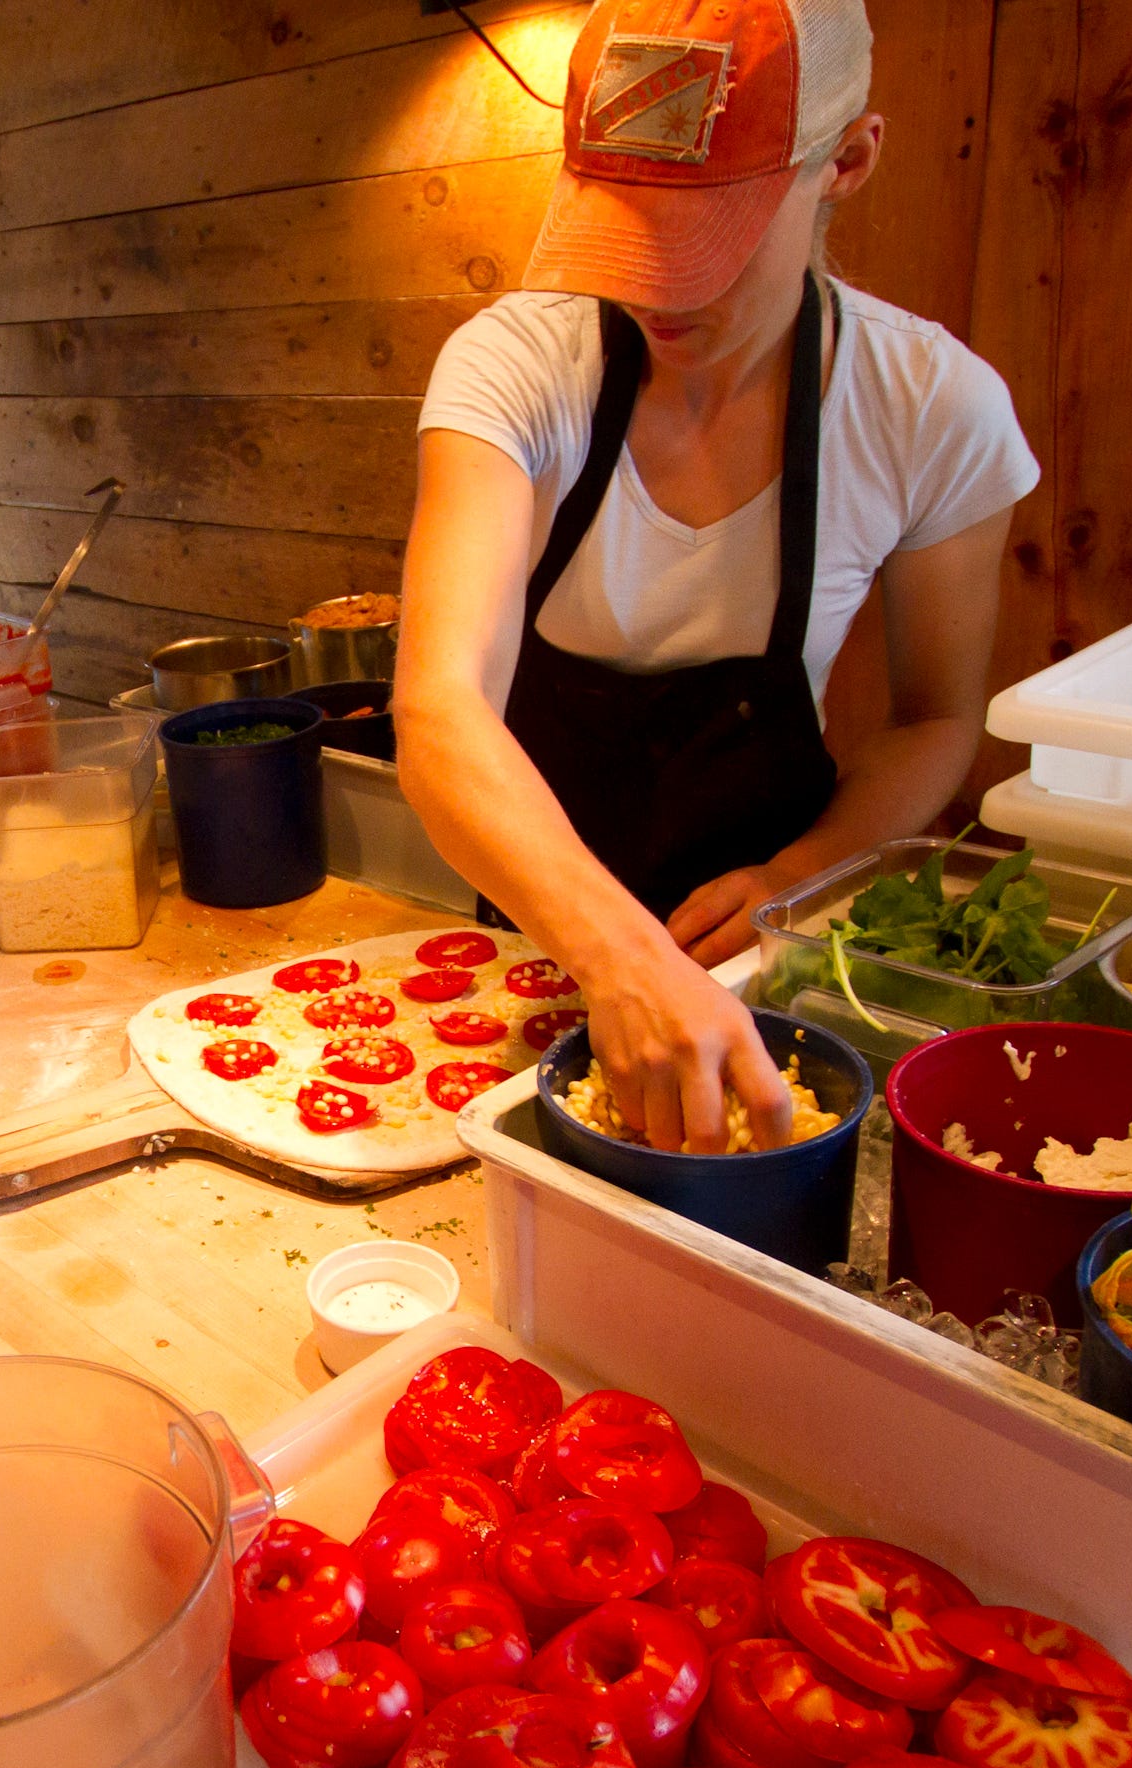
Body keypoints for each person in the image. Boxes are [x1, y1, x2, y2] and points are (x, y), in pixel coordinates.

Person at [395, 0, 1036, 1153]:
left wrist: (799, 874)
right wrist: (617, 956)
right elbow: (442, 709)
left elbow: (938, 717)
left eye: (705, 231)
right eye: (621, 226)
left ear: (848, 159)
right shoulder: (519, 367)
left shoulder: (929, 406)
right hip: (537, 947)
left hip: (780, 957)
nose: (657, 285)